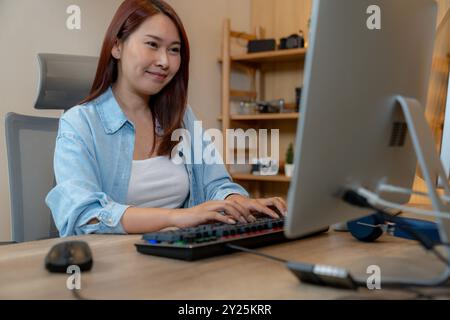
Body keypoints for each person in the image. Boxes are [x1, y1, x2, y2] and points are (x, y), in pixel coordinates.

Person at [46, 0, 287, 237]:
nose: (164, 61)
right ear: (117, 46)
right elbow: (84, 215)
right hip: (114, 265)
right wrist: (178, 218)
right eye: (152, 44)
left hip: (177, 255)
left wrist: (238, 202)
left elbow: (215, 184)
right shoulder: (79, 123)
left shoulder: (182, 116)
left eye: (174, 50)